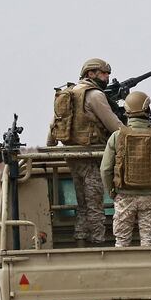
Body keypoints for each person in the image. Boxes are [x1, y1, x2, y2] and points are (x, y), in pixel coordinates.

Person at [47, 58, 123, 246]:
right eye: (104, 73)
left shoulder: (70, 93)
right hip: (91, 156)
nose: (107, 78)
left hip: (72, 155)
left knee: (82, 205)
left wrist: (49, 150)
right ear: (91, 74)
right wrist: (133, 137)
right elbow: (115, 126)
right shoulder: (94, 95)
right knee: (95, 204)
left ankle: (80, 238)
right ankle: (98, 245)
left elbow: (54, 126)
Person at [100, 91, 151, 247]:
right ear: (147, 110)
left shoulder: (117, 136)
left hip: (124, 196)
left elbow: (105, 169)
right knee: (148, 240)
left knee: (121, 241)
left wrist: (112, 193)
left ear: (127, 112)